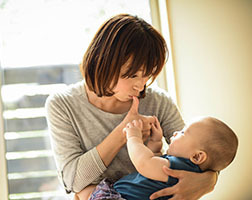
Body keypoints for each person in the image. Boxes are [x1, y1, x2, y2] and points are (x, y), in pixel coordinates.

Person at [45, 14, 217, 200]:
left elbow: (202, 151)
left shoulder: (159, 102)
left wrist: (210, 180)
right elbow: (74, 182)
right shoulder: (63, 105)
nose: (141, 86)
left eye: (147, 75)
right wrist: (124, 132)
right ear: (102, 61)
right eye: (132, 75)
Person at [86, 116, 238, 200]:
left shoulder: (178, 169)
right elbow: (154, 163)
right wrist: (156, 142)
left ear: (197, 156)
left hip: (120, 197)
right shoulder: (184, 168)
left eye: (183, 133)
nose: (176, 133)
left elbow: (145, 164)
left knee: (83, 192)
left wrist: (134, 138)